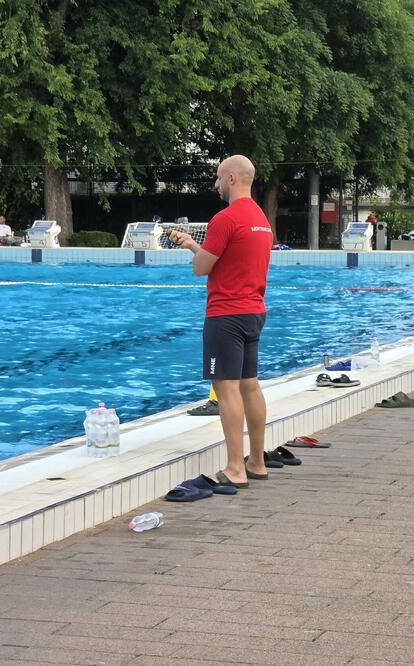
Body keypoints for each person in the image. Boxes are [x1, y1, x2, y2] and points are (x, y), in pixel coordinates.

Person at [169, 155, 274, 488]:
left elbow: (202, 268)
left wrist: (194, 254)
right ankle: (257, 462)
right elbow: (227, 261)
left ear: (231, 178)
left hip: (225, 314)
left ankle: (234, 468)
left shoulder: (225, 218)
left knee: (226, 390)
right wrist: (193, 245)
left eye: (217, 178)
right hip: (253, 311)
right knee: (250, 385)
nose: (214, 184)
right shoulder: (261, 219)